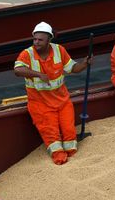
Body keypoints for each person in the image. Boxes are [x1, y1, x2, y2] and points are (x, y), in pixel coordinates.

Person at [13, 21, 91, 165]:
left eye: (40, 40)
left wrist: (84, 63)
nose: (36, 42)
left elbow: (73, 68)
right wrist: (38, 74)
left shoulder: (59, 50)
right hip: (40, 105)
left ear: (49, 40)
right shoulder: (27, 54)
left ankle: (70, 153)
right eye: (34, 39)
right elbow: (18, 70)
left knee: (70, 138)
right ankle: (59, 156)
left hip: (62, 101)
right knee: (53, 140)